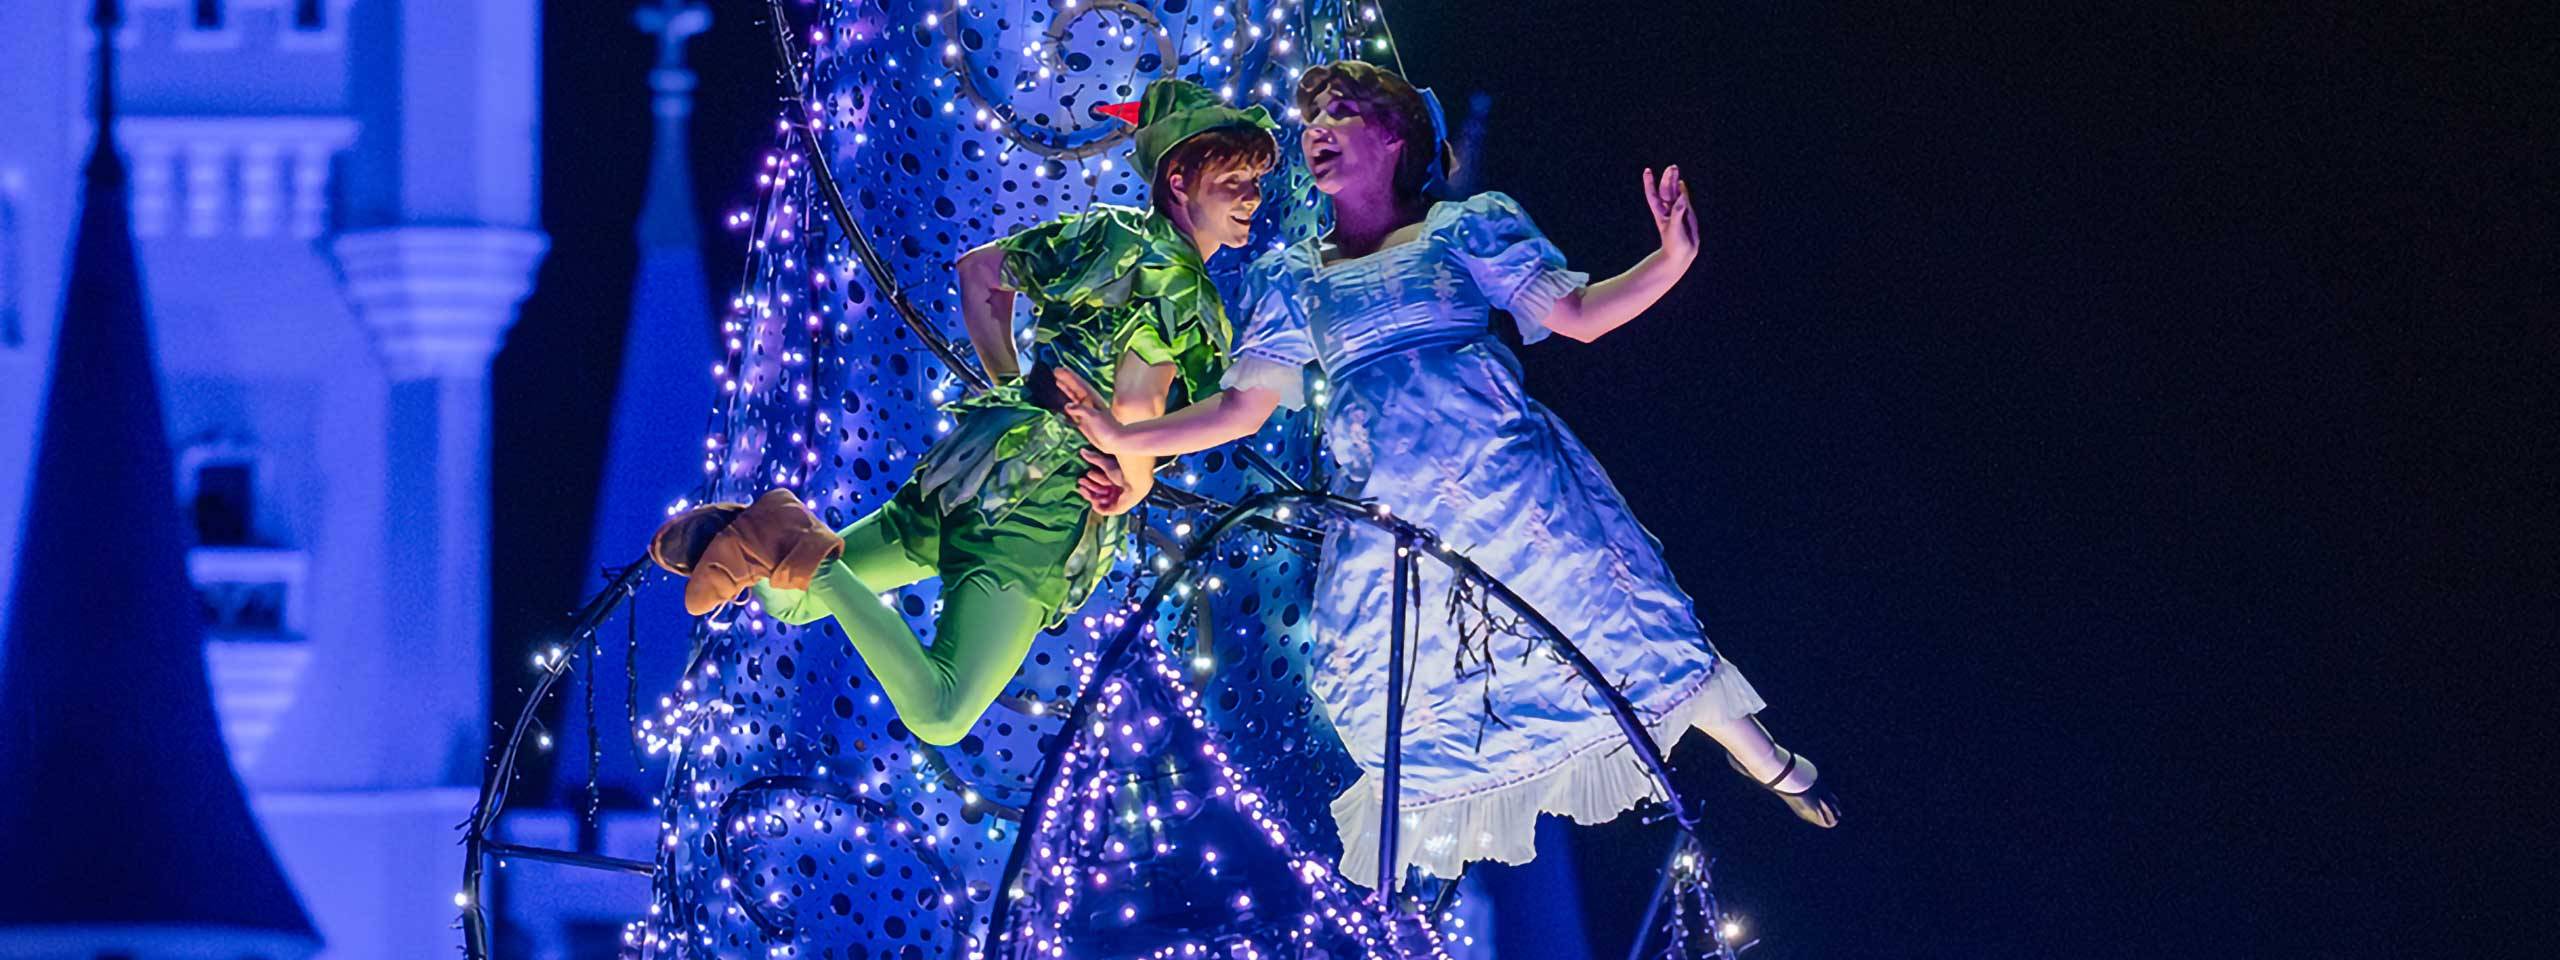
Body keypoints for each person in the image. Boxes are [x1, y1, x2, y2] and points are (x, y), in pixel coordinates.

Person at [1057, 61, 1837, 881]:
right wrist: (1123, 435)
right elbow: (1240, 410)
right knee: (1394, 705)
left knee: (1614, 627)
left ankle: (1772, 761)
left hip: (1509, 486)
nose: (1317, 128)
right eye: (1311, 115)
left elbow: (1574, 317)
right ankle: (1401, 912)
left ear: (1394, 136)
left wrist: (1670, 260)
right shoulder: (1294, 278)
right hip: (1390, 516)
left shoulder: (1466, 228)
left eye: (1341, 112)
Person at [645, 79, 1277, 747]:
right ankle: (800, 549)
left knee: (792, 596)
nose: (1251, 197)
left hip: (975, 462)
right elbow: (1133, 402)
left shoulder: (1103, 232)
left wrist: (1015, 397)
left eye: (1256, 181)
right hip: (1041, 507)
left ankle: (764, 530)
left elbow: (980, 273)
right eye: (1234, 178)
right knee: (942, 713)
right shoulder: (1180, 284)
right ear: (1178, 181)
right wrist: (1135, 480)